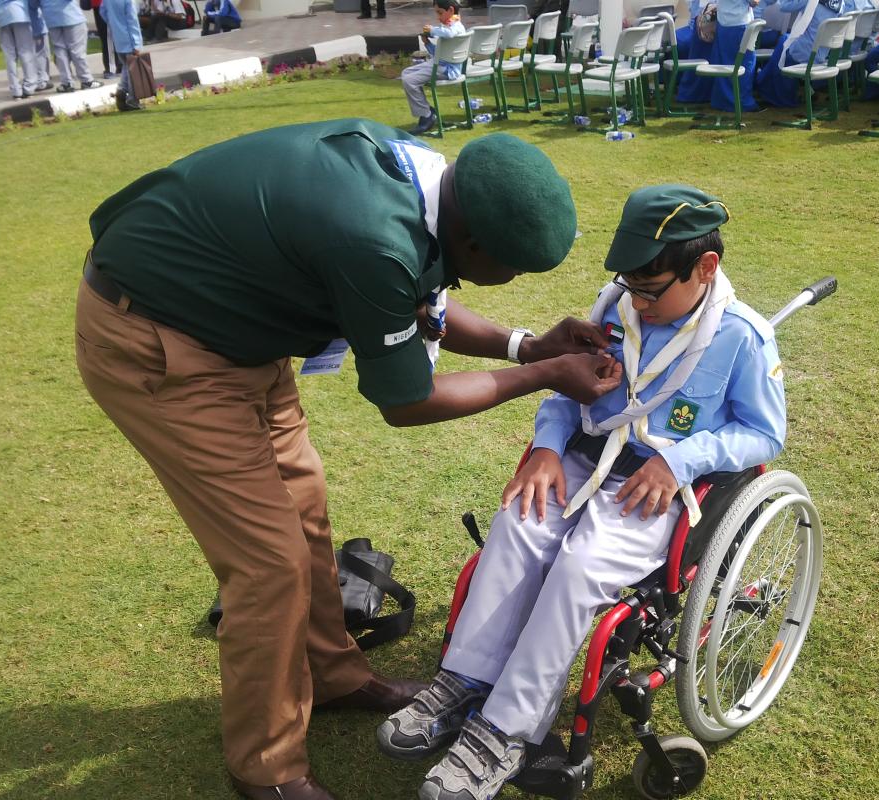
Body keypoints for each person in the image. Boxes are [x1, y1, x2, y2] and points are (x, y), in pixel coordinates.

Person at [74, 119, 621, 800]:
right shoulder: (373, 237)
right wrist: (543, 377)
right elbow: (407, 400)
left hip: (241, 331)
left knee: (303, 505)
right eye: (506, 265)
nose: (506, 278)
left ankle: (333, 675)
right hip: (162, 341)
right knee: (268, 564)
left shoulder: (422, 186)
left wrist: (526, 348)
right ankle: (267, 770)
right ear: (471, 238)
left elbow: (424, 308)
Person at [378, 184, 787, 800]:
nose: (639, 303)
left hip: (657, 486)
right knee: (518, 523)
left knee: (580, 568)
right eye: (631, 287)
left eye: (651, 290)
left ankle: (508, 729)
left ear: (705, 267)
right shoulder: (615, 306)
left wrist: (680, 460)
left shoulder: (742, 338)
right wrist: (547, 444)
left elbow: (764, 431)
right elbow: (568, 389)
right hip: (581, 458)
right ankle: (466, 677)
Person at [754, 0, 845, 107]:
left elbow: (784, 6)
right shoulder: (840, 3)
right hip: (823, 52)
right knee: (785, 40)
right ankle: (765, 84)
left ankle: (775, 93)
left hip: (806, 52)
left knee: (783, 43)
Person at [400, 0, 466, 135]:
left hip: (447, 69)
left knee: (409, 81)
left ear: (451, 11)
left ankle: (426, 115)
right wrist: (428, 43)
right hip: (440, 64)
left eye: (440, 13)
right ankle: (428, 110)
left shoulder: (456, 27)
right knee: (406, 73)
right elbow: (440, 52)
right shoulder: (449, 27)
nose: (438, 17)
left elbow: (449, 34)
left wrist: (432, 30)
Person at [41, 0, 101, 92]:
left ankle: (66, 83)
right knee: (77, 50)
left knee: (60, 51)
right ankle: (86, 80)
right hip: (71, 16)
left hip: (50, 18)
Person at [100, 0, 143, 111]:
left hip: (118, 38)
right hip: (129, 39)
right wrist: (137, 43)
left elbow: (102, 11)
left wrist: (113, 23)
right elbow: (132, 21)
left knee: (126, 67)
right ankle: (133, 101)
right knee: (133, 72)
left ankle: (122, 90)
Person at [0, 0, 37, 100]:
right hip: (20, 14)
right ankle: (29, 87)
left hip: (2, 16)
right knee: (25, 52)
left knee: (9, 55)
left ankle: (15, 90)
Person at [91, 0, 124, 78]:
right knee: (108, 38)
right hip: (103, 4)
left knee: (110, 37)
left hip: (106, 4)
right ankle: (112, 67)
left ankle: (118, 66)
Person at [27, 0, 53, 91]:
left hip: (26, 25)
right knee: (41, 54)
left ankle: (32, 79)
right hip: (36, 24)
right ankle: (41, 81)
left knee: (29, 55)